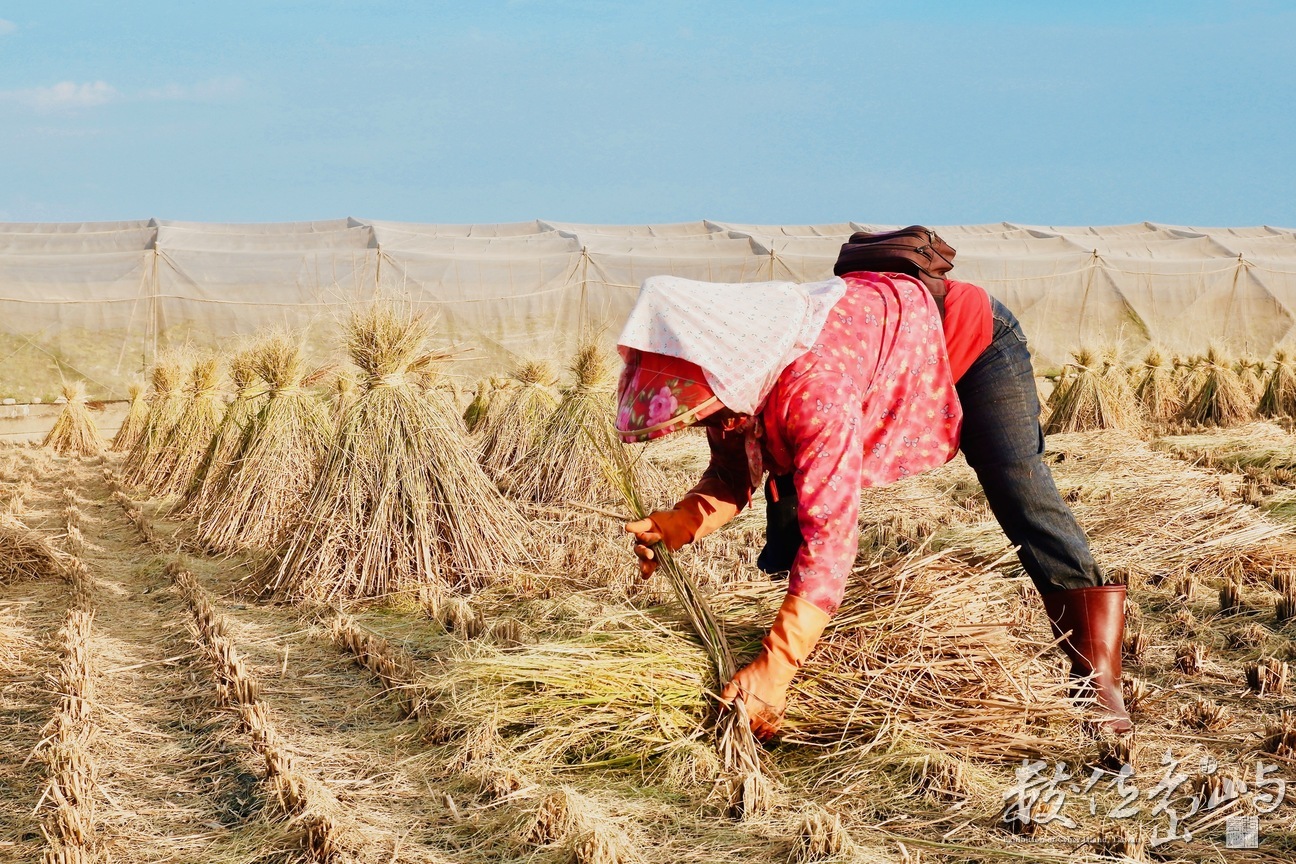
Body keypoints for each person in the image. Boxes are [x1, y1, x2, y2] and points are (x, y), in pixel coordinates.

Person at [615, 228, 1133, 742]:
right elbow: (731, 476)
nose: (716, 425)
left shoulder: (813, 388)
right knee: (787, 506)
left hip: (970, 340)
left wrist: (777, 663)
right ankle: (802, 676)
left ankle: (1099, 682)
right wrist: (676, 524)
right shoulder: (735, 376)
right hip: (874, 348)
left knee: (1018, 489)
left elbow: (833, 535)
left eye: (710, 413)